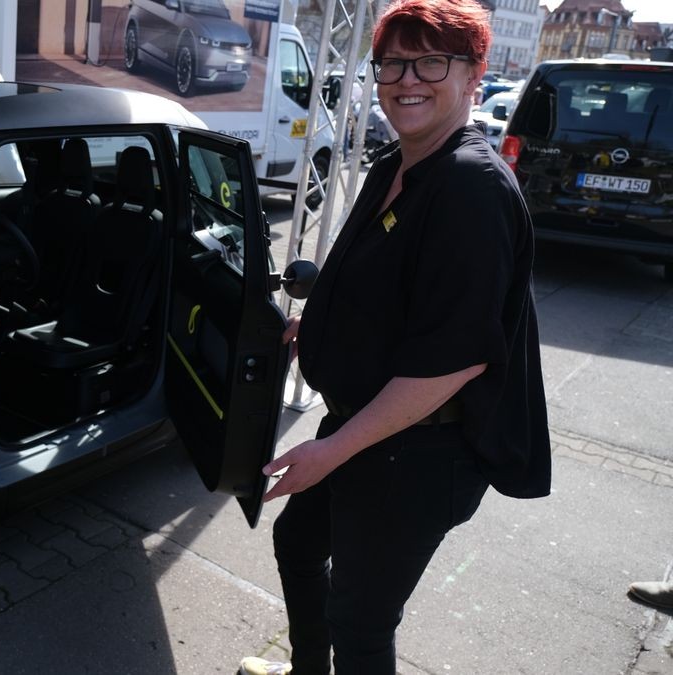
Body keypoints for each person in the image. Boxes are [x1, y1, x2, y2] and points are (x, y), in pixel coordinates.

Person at [239, 1, 550, 673]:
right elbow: (374, 283)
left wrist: (330, 452)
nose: (407, 78)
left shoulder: (470, 188)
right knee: (299, 543)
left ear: (474, 75)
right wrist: (313, 326)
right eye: (393, 62)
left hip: (420, 455)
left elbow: (456, 359)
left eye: (432, 60)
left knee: (361, 623)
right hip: (366, 431)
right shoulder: (395, 165)